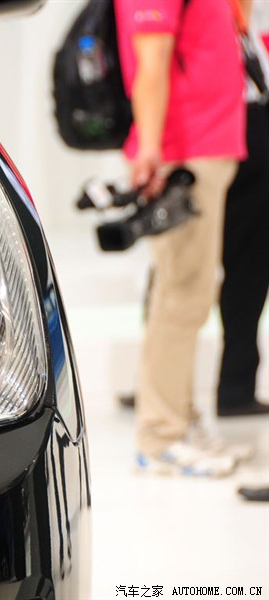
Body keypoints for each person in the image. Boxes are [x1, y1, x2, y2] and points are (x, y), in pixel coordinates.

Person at [114, 0, 247, 475]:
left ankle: (181, 424)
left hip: (205, 145)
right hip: (182, 152)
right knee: (181, 294)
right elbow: (151, 60)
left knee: (190, 293)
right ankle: (161, 438)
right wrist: (151, 149)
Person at [217, 2, 269, 418]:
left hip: (235, 127)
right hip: (233, 127)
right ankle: (234, 387)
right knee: (246, 262)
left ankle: (236, 385)